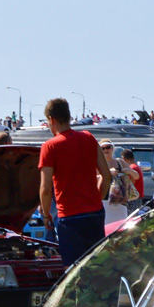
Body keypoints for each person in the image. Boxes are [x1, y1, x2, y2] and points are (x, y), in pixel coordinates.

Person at [38, 98, 111, 267]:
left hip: (70, 217)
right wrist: (97, 200)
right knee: (96, 266)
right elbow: (106, 175)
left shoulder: (49, 147)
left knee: (73, 271)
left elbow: (45, 189)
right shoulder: (88, 137)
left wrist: (46, 214)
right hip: (95, 213)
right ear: (69, 116)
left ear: (51, 120)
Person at [99, 141, 128, 225]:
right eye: (103, 148)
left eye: (108, 147)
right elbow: (92, 178)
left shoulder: (119, 162)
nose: (106, 150)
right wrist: (108, 173)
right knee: (107, 226)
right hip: (105, 200)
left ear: (112, 148)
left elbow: (136, 176)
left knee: (122, 226)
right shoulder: (98, 163)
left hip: (120, 200)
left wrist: (128, 171)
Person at [120, 148, 144, 214]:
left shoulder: (131, 168)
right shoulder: (136, 166)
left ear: (124, 158)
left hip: (133, 197)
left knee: (130, 216)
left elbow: (131, 182)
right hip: (138, 197)